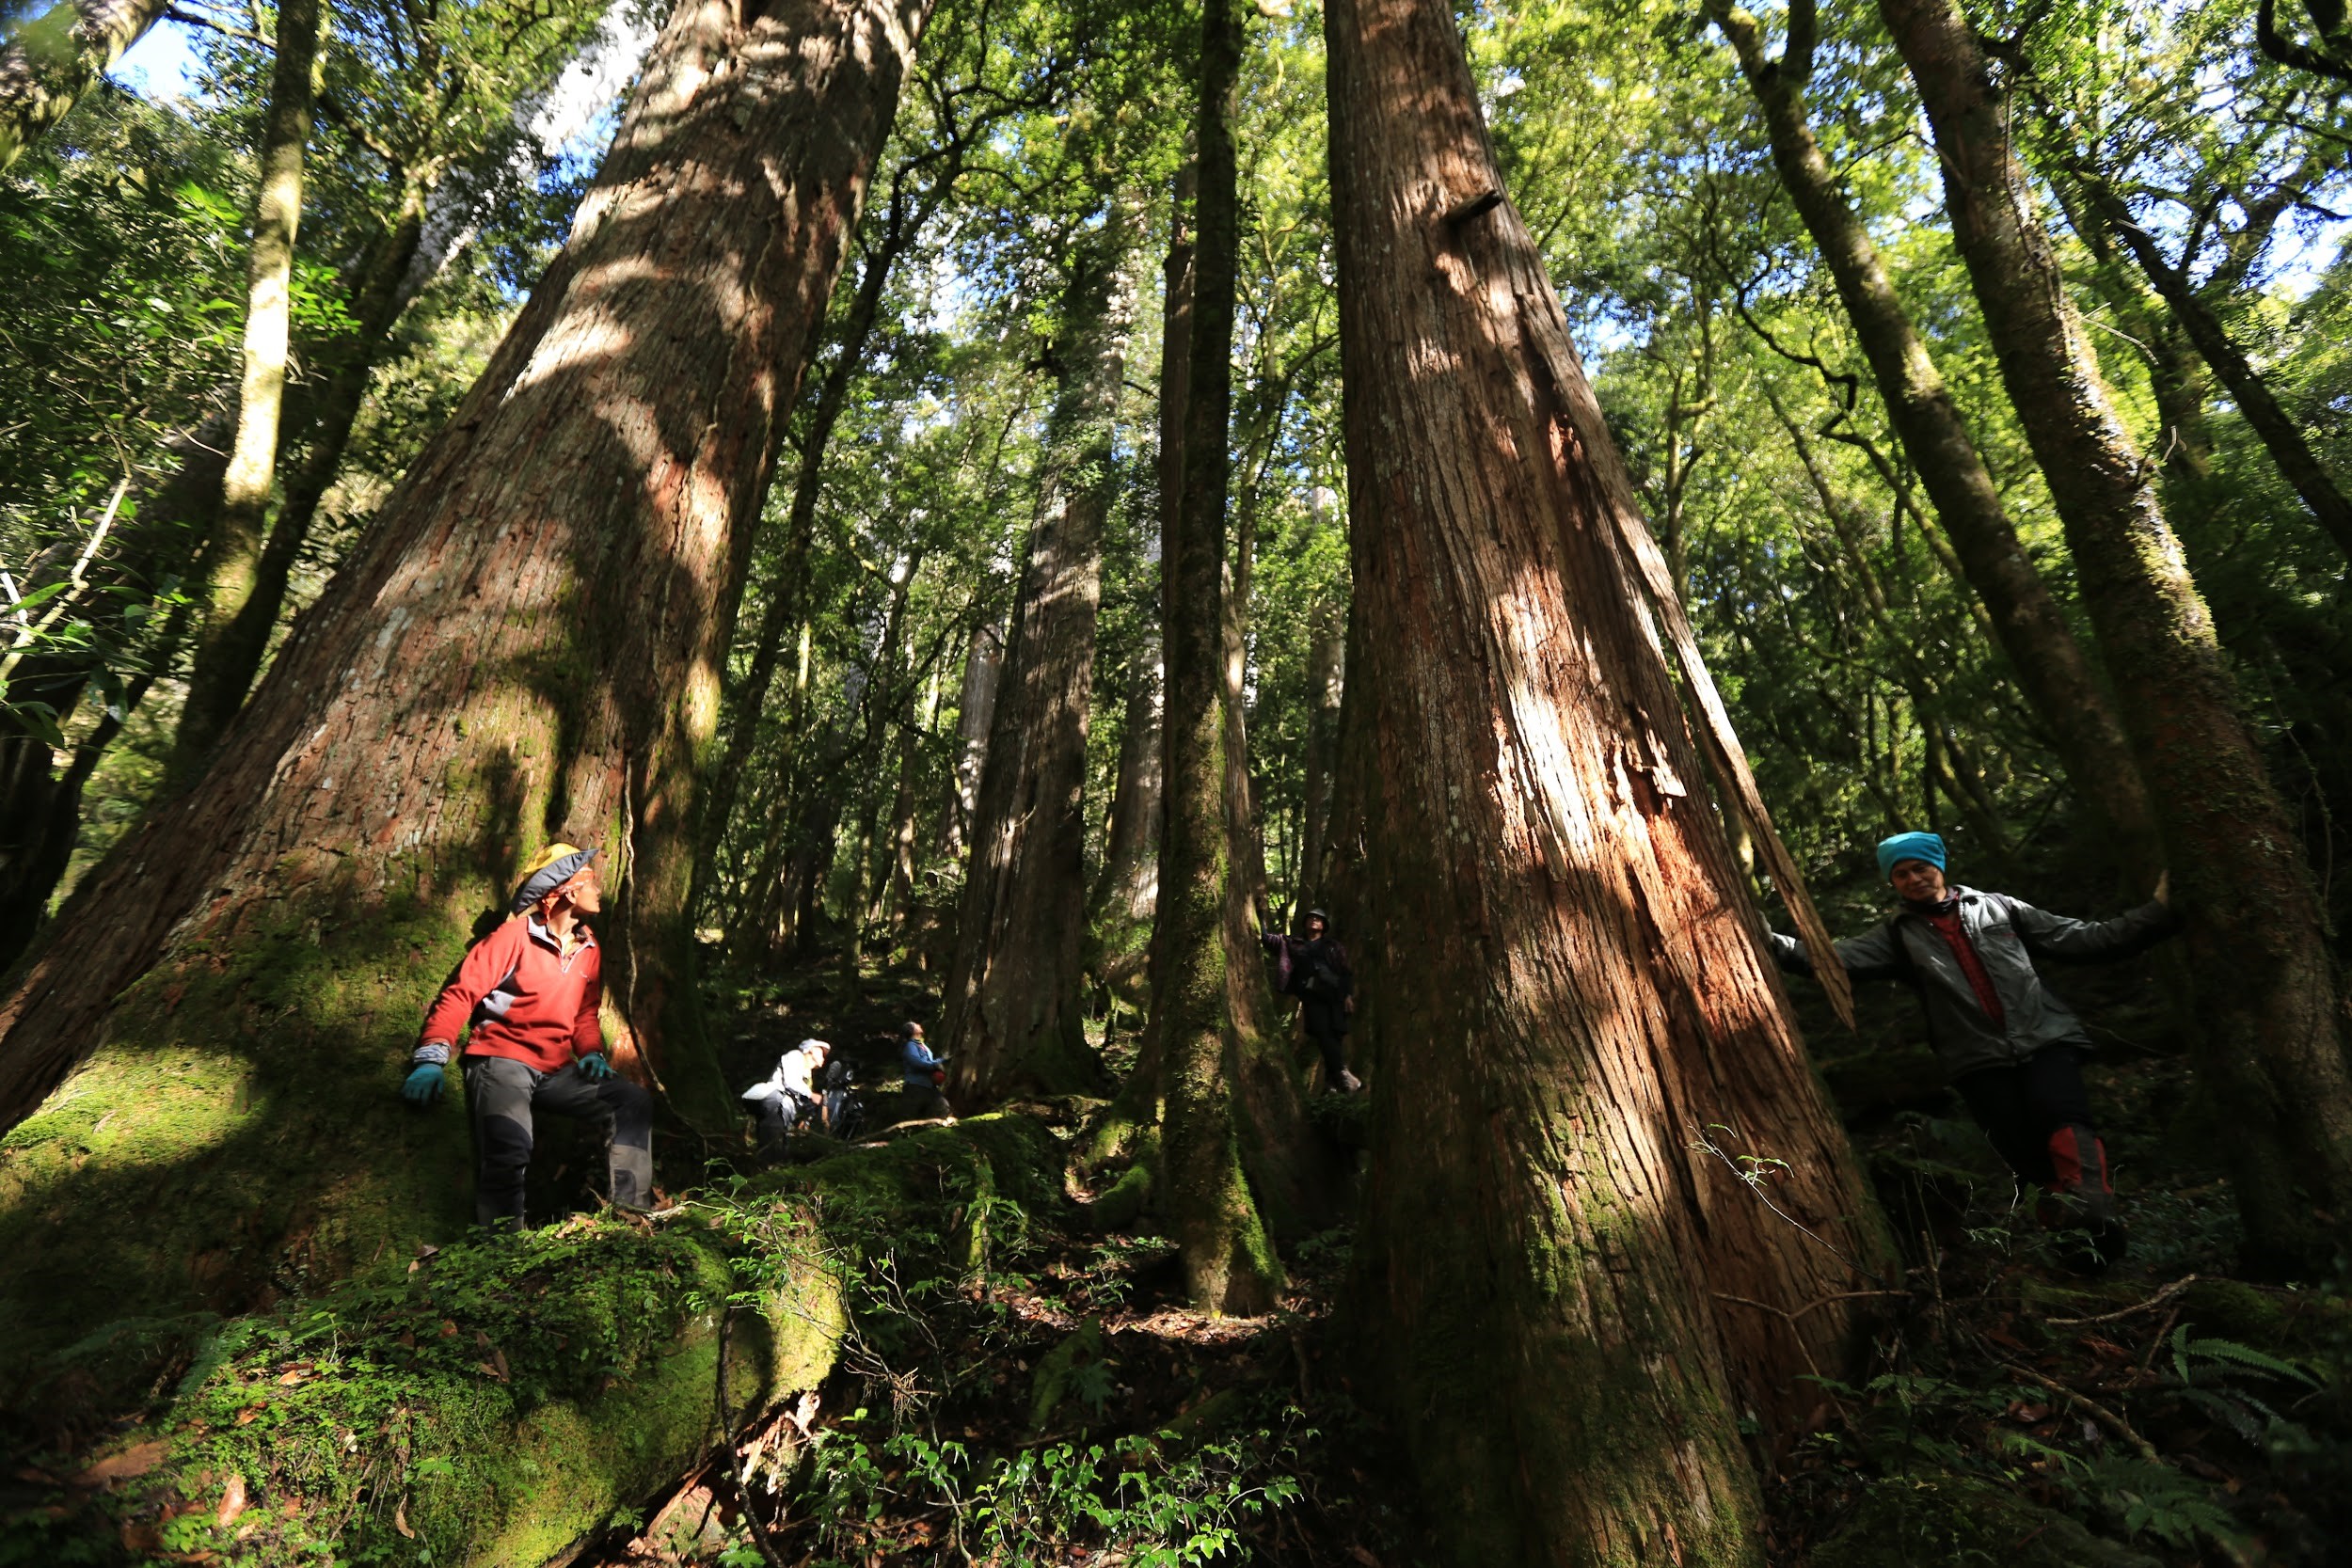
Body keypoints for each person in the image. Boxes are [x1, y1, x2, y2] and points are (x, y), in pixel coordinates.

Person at [1768, 831, 2177, 1264]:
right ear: (1893, 882)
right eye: (1902, 874)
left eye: (1920, 867)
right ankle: (2070, 1244)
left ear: (1939, 866)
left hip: (2045, 1037)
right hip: (1976, 1060)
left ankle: (2093, 1206)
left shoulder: (2000, 907)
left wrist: (2160, 911)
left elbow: (2086, 939)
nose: (1913, 879)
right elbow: (1832, 960)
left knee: (2063, 1115)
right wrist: (1772, 941)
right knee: (2020, 1148)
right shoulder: (1896, 935)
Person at [403, 843, 654, 1229]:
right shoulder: (512, 938)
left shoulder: (589, 948)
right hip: (502, 1060)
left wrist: (591, 1052)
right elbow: (460, 994)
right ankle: (502, 1246)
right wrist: (430, 1058)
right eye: (591, 880)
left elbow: (586, 1013)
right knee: (510, 1142)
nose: (599, 889)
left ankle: (633, 1216)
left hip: (557, 1069)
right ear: (569, 891)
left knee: (631, 1101)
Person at [1261, 908, 1362, 1094]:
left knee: (1335, 1037)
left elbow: (1345, 972)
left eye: (1318, 919)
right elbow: (1267, 939)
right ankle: (1344, 1075)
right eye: (1311, 918)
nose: (1314, 921)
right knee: (1323, 1034)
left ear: (1324, 926)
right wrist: (1260, 915)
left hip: (1336, 997)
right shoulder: (1293, 943)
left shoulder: (1333, 946)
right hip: (1312, 997)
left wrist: (1348, 995)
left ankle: (1332, 1086)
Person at [743, 1037, 831, 1156]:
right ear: (810, 1051)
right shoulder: (796, 1056)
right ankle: (769, 1165)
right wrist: (811, 1095)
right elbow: (791, 1082)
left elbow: (800, 1097)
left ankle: (767, 1162)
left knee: (776, 1137)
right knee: (773, 1135)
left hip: (780, 1104)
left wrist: (805, 1118)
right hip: (774, 1100)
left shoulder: (806, 1073)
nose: (823, 1057)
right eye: (820, 1052)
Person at [899, 1022, 950, 1120]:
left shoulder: (922, 1045)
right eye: (915, 1025)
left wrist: (941, 1061)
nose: (918, 1025)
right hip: (915, 1086)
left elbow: (929, 1062)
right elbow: (918, 1063)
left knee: (943, 1107)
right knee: (911, 1117)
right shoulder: (910, 1046)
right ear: (912, 1031)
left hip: (929, 1086)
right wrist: (938, 1063)